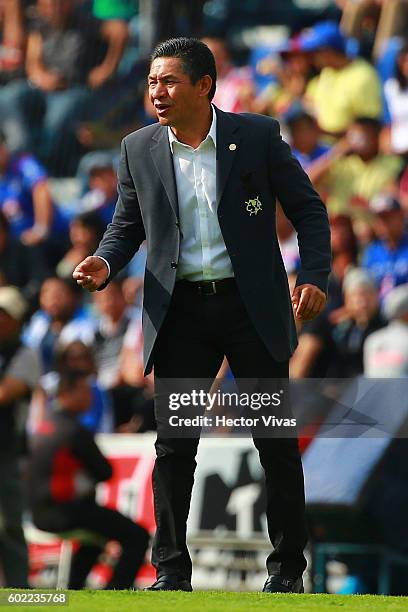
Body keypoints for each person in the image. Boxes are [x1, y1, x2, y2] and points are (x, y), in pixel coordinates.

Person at [73, 37, 331, 594]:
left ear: (204, 87)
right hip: (181, 310)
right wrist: (106, 261)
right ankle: (170, 572)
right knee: (174, 444)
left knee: (275, 443)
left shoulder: (257, 136)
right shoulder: (137, 148)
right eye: (150, 83)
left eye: (167, 82)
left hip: (249, 307)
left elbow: (309, 209)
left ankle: (287, 572)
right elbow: (126, 225)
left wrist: (313, 277)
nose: (156, 93)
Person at [27, 368, 149, 589]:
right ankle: (115, 593)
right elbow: (105, 472)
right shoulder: (73, 431)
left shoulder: (43, 425)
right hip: (65, 512)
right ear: (67, 393)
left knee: (96, 536)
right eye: (85, 392)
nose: (91, 397)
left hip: (37, 514)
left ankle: (73, 589)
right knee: (137, 536)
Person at [0, 286, 41, 587]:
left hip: (6, 452)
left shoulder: (25, 354)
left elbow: (5, 393)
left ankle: (18, 590)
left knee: (8, 526)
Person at [301, 21, 382, 135]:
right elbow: (309, 101)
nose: (310, 58)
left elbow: (369, 130)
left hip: (348, 150)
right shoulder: (327, 72)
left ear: (327, 52)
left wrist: (331, 149)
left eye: (314, 52)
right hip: (320, 146)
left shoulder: (363, 76)